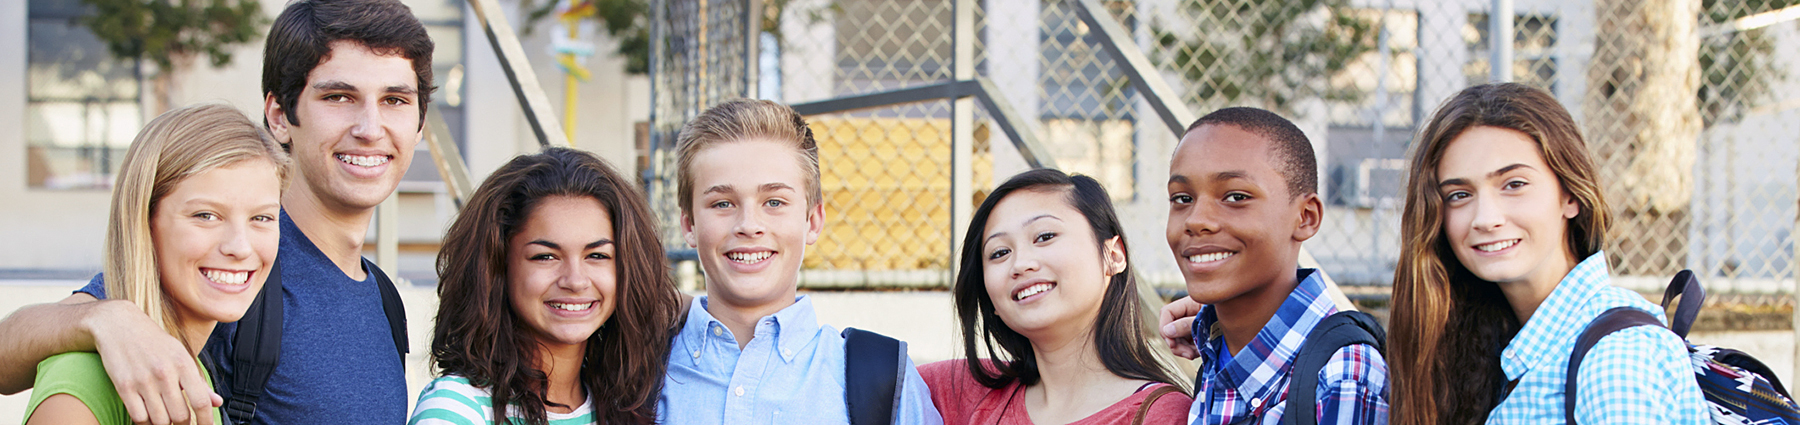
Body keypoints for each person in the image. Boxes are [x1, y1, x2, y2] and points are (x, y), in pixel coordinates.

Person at [0, 1, 435, 423]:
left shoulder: (382, 298)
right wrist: (103, 316)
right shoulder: (233, 264)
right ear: (280, 115)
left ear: (419, 125)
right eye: (339, 97)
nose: (369, 128)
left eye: (395, 100)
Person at [1385, 83, 1705, 424]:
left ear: (1570, 195)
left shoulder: (1615, 359)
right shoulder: (1499, 347)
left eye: (1514, 184)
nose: (1485, 219)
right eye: (1460, 194)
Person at [656, 98, 943, 424]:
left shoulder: (882, 378)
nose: (749, 225)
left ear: (813, 220)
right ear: (689, 224)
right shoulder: (635, 373)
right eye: (722, 203)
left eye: (774, 202)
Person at [24, 104, 287, 424]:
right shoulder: (82, 380)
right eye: (205, 215)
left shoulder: (195, 373)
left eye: (261, 218)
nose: (240, 247)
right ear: (145, 222)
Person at [409, 147, 682, 424]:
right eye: (546, 256)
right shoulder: (459, 408)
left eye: (597, 256)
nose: (575, 281)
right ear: (497, 266)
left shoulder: (628, 407)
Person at [1164, 107, 1388, 424]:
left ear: (1306, 217)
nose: (1197, 220)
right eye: (1182, 199)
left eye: (1236, 196)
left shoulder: (1343, 374)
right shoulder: (1215, 350)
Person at [918, 168, 1192, 424]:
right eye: (1000, 253)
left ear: (1113, 255)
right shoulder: (955, 391)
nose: (1021, 264)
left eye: (1045, 236)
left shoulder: (1160, 415)